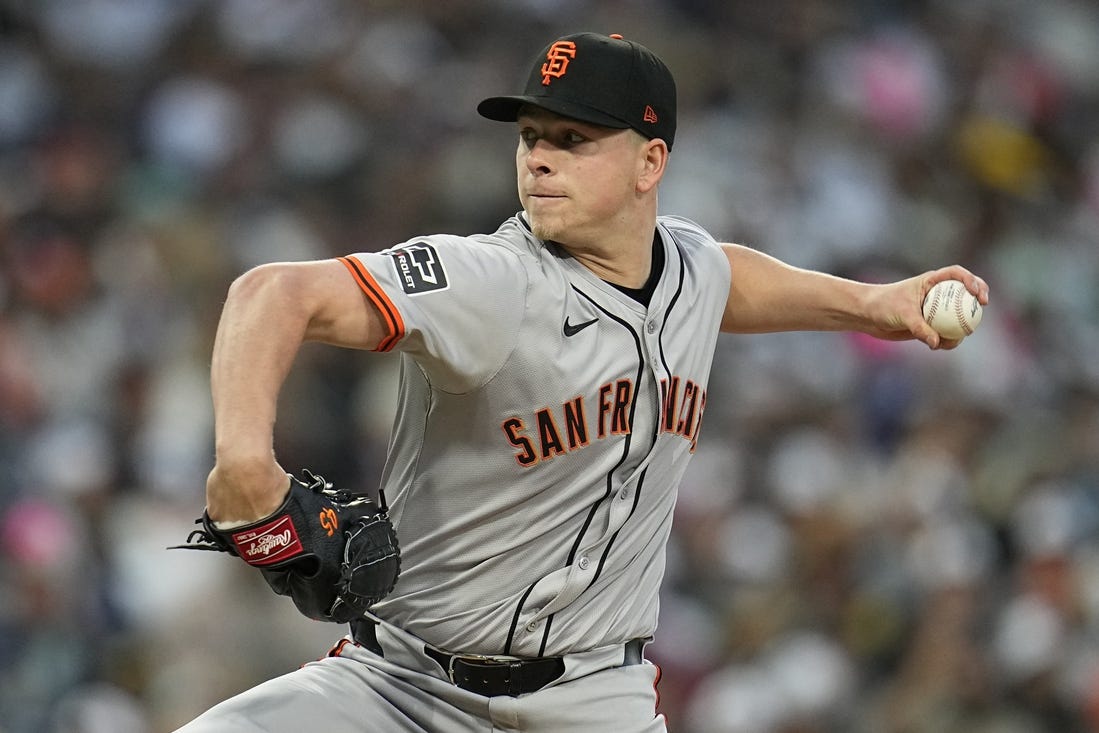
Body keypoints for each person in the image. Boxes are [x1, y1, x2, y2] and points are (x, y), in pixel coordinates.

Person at [176, 31, 989, 733]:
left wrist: (873, 303)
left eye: (572, 139)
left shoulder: (689, 268)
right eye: (531, 135)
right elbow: (271, 292)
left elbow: (725, 277)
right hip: (399, 691)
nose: (538, 158)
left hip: (595, 701)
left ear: (650, 162)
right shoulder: (492, 283)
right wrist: (243, 461)